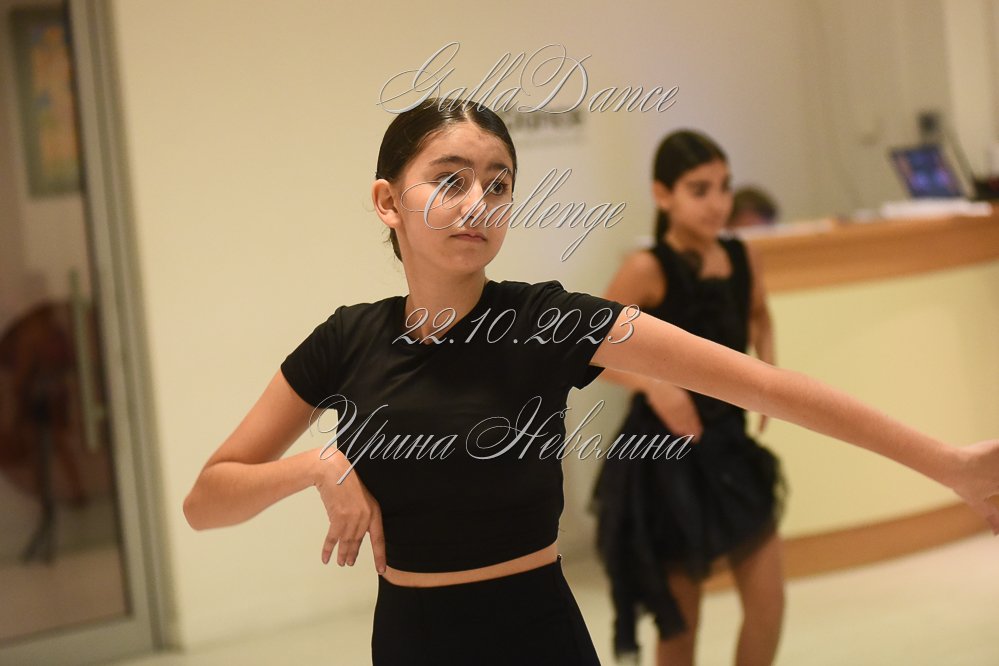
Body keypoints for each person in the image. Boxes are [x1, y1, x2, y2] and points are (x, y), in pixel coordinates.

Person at [182, 102, 999, 666]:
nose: (477, 203)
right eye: (450, 179)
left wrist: (948, 463)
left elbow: (767, 386)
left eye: (498, 183)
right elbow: (207, 500)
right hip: (410, 642)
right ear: (387, 201)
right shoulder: (346, 340)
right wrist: (319, 466)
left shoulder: (548, 321)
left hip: (538, 636)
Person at [592, 130, 783, 665]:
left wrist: (768, 382)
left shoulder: (743, 257)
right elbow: (587, 350)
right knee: (681, 629)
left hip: (730, 448)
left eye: (724, 187)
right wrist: (654, 385)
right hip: (666, 460)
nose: (718, 203)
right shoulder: (646, 268)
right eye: (700, 190)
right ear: (663, 194)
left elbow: (760, 315)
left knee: (769, 607)